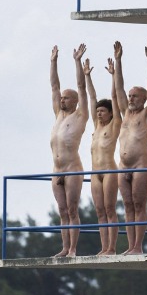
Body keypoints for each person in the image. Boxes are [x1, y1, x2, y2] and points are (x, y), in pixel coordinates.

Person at [112, 41, 147, 254]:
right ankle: (130, 245)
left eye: (135, 96)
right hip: (123, 165)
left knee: (139, 205)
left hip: (140, 163)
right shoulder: (125, 113)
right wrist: (118, 61)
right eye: (130, 96)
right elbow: (118, 89)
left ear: (143, 100)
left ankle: (138, 246)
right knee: (127, 206)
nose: (130, 99)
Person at [48, 44, 89, 258]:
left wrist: (77, 62)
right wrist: (53, 61)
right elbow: (54, 86)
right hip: (57, 169)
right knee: (62, 211)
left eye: (66, 98)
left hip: (72, 167)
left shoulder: (80, 115)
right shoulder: (58, 115)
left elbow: (82, 87)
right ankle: (64, 247)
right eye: (62, 98)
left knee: (72, 210)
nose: (62, 100)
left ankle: (73, 248)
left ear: (74, 102)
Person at [87, 49, 123, 256]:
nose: (99, 113)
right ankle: (104, 247)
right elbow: (92, 98)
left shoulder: (114, 124)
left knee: (110, 209)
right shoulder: (97, 126)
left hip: (109, 170)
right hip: (95, 172)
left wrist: (113, 74)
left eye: (103, 111)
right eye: (98, 111)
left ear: (109, 113)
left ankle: (112, 247)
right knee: (99, 211)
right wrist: (87, 76)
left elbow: (115, 98)